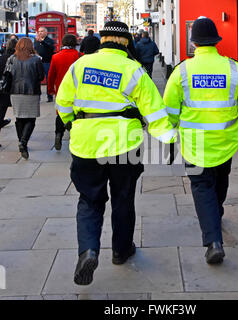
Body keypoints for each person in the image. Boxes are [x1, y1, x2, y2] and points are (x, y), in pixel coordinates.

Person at [56, 21, 176, 286]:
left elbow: (62, 102)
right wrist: (169, 138)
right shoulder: (133, 70)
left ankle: (88, 250)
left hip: (86, 144)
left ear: (102, 39)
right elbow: (154, 111)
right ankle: (121, 251)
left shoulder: (80, 65)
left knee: (89, 201)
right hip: (124, 146)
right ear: (125, 42)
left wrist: (70, 123)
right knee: (123, 198)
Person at [163, 17, 238, 264]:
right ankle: (217, 214)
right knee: (220, 179)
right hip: (226, 142)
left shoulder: (182, 71)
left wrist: (173, 130)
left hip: (195, 143)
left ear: (194, 42)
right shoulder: (234, 69)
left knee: (201, 187)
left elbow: (170, 110)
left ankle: (213, 241)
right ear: (216, 41)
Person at [8, 37, 45, 159]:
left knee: (19, 118)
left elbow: (7, 75)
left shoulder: (11, 59)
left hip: (15, 92)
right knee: (31, 119)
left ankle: (21, 141)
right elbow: (41, 76)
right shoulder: (36, 60)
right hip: (32, 92)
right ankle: (23, 142)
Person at [48, 34, 83, 150]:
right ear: (74, 43)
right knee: (77, 113)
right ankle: (76, 136)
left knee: (61, 113)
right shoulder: (80, 56)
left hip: (61, 89)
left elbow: (51, 75)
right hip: (78, 90)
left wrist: (50, 90)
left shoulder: (55, 57)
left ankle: (58, 134)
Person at [0, 38, 18, 134]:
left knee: (1, 111)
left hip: (2, 88)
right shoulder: (16, 58)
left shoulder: (2, 57)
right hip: (13, 89)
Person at [34, 27, 55, 102]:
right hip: (38, 62)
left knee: (49, 80)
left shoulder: (50, 41)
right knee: (37, 80)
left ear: (46, 32)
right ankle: (38, 96)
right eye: (39, 31)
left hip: (47, 62)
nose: (40, 33)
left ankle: (49, 96)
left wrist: (42, 42)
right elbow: (35, 49)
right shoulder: (36, 41)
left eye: (42, 31)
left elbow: (50, 48)